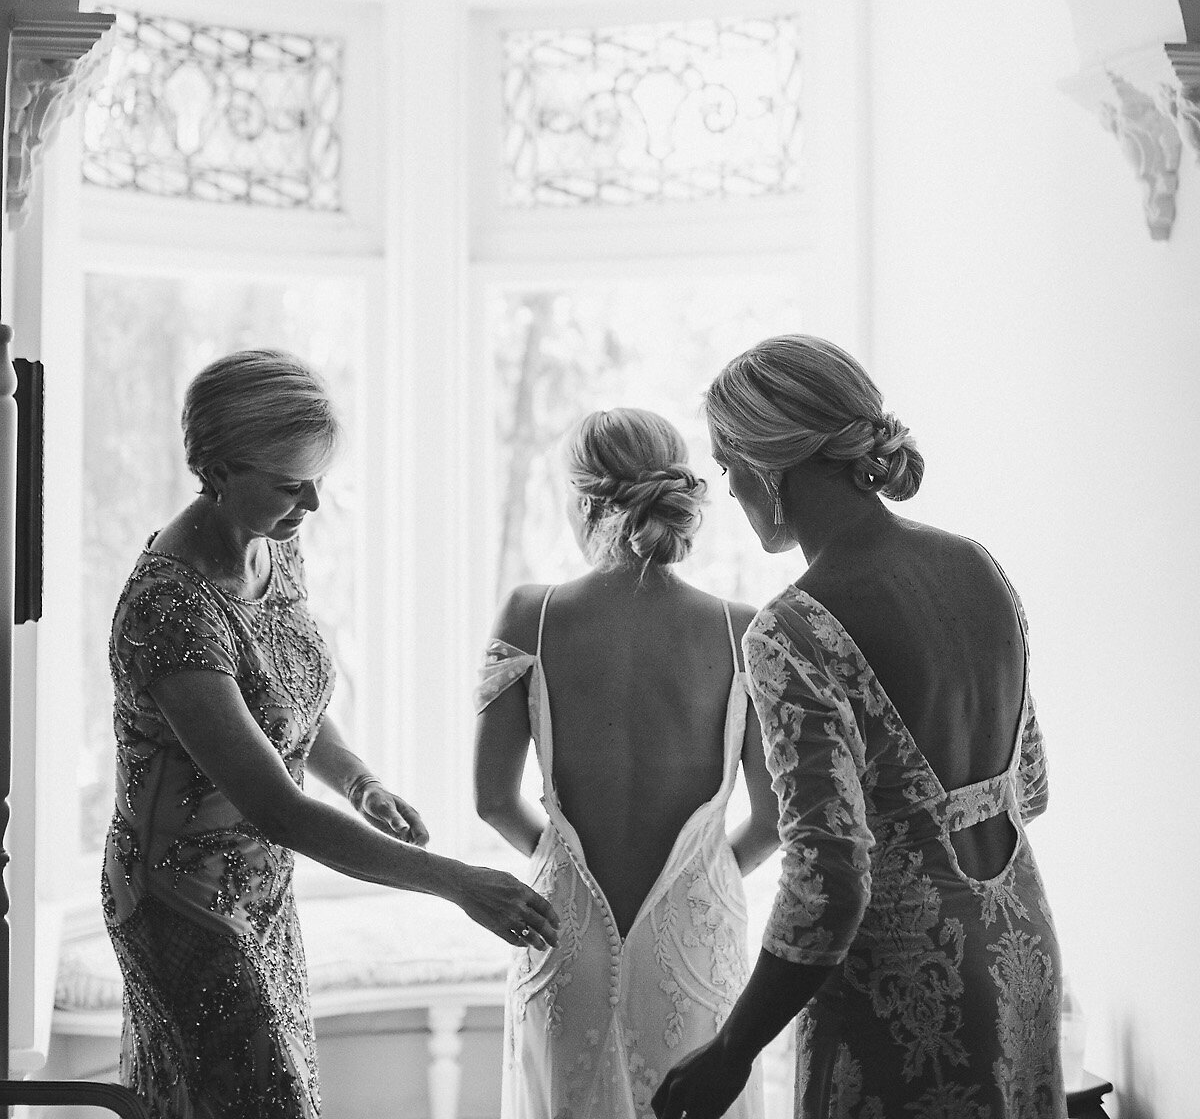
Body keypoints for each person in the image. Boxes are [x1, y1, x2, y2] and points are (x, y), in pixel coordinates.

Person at [104, 348, 557, 1119]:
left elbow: (287, 703)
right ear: (214, 468)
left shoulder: (275, 541)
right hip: (181, 902)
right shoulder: (170, 608)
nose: (311, 502)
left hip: (262, 889)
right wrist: (460, 882)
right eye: (290, 484)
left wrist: (360, 783)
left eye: (317, 479)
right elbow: (275, 806)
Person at [654, 335, 1065, 1119]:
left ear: (771, 462)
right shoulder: (979, 566)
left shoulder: (792, 631)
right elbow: (1031, 789)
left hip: (908, 998)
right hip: (1023, 961)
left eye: (727, 460)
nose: (727, 485)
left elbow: (829, 883)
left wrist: (732, 1050)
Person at [474, 406, 780, 1119]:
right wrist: (698, 874)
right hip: (698, 940)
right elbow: (773, 820)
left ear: (584, 502)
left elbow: (492, 800)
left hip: (564, 930)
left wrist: (560, 857)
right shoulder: (745, 630)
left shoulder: (530, 614)